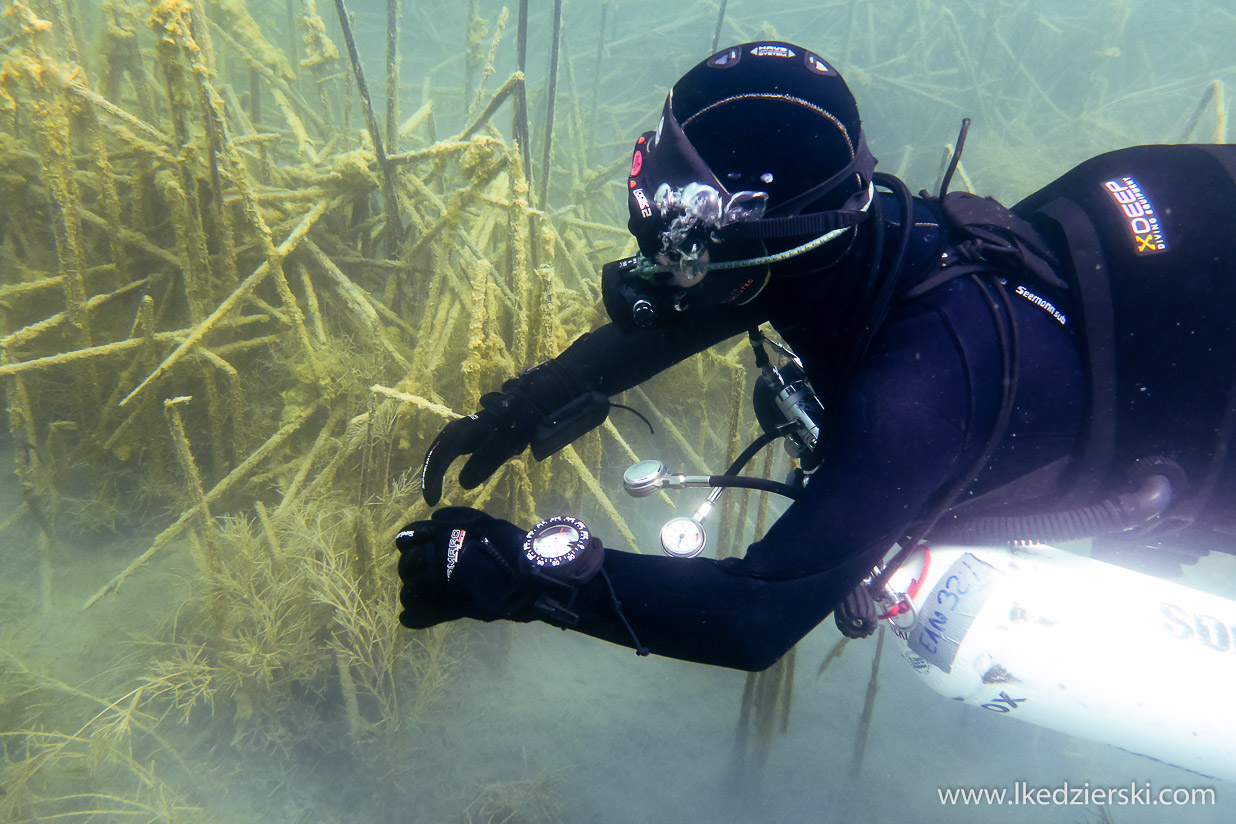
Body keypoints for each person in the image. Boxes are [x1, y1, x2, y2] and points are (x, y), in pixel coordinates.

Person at [395, 41, 1236, 671]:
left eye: (687, 239)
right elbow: (732, 293)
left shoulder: (920, 392)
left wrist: (516, 575)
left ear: (782, 240)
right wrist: (530, 400)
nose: (656, 254)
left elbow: (750, 619)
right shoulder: (857, 244)